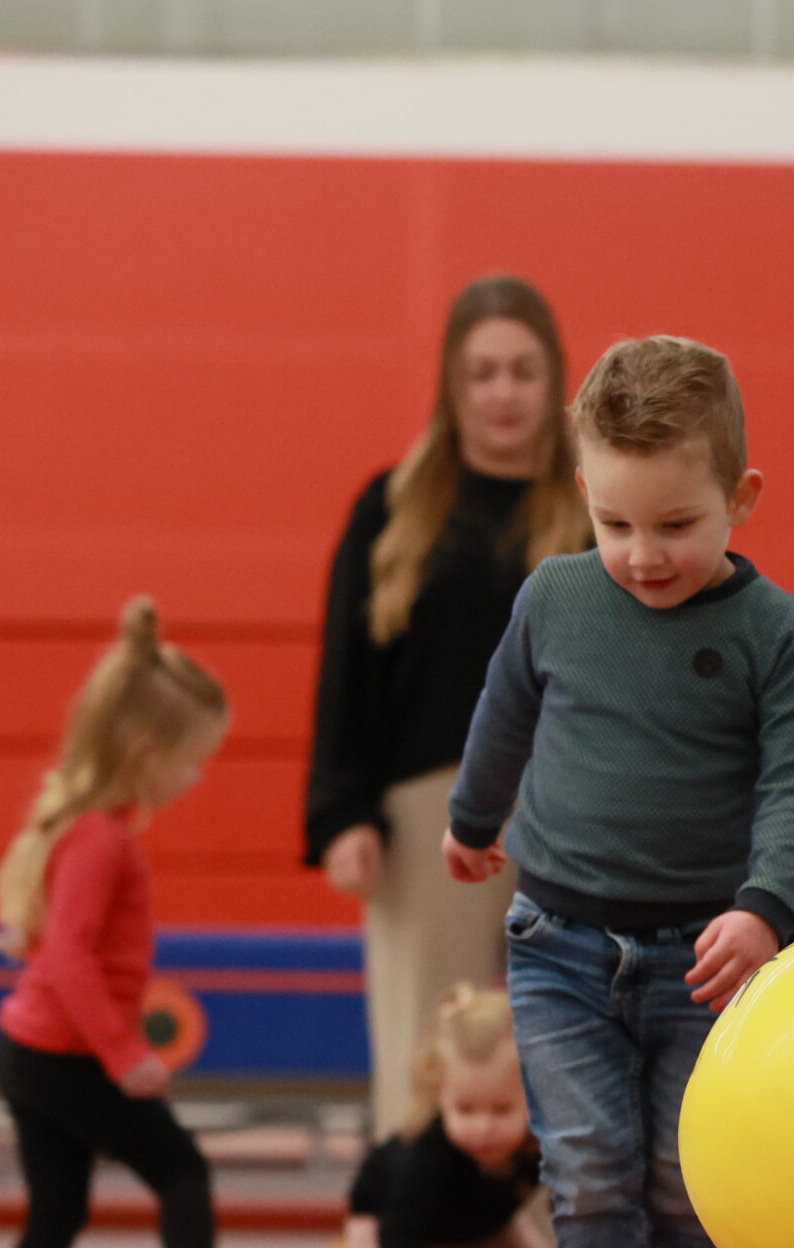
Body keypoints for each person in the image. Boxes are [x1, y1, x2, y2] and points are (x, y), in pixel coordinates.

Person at [442, 335, 794, 1248]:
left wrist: (764, 908)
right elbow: (504, 714)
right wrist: (472, 820)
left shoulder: (782, 637)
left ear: (741, 497)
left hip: (699, 961)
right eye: (615, 525)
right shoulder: (555, 600)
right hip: (557, 941)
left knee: (681, 1170)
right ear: (584, 493)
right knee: (586, 1164)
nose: (643, 556)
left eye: (676, 525)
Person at [304, 276, 591, 1143]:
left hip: (573, 810)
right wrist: (341, 812)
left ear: (553, 384)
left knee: (567, 1048)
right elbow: (346, 670)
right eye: (482, 372)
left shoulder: (596, 511)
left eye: (522, 371)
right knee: (431, 1055)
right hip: (430, 813)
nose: (503, 392)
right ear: (451, 386)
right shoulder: (389, 507)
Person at [0, 598, 232, 1248]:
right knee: (182, 1170)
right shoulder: (101, 840)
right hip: (64, 1056)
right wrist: (124, 1056)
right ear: (148, 751)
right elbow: (68, 957)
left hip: (32, 1051)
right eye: (193, 759)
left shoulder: (91, 828)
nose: (196, 776)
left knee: (57, 1212)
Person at [345, 983, 562, 1248]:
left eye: (500, 1110)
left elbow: (571, 1210)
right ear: (437, 1095)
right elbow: (398, 1235)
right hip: (386, 1218)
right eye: (465, 1109)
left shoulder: (541, 1144)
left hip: (482, 1226)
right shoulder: (423, 1160)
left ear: (534, 1093)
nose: (483, 1127)